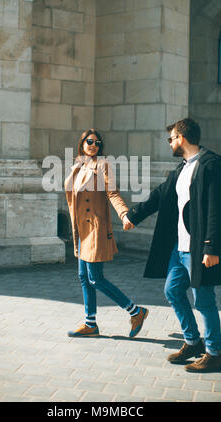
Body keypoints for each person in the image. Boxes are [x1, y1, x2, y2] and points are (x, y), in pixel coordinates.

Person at [124, 118, 221, 372]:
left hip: (199, 249)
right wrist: (132, 216)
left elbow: (217, 210)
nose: (170, 142)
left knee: (205, 301)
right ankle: (193, 341)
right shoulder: (181, 169)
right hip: (179, 248)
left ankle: (215, 353)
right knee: (173, 291)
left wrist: (211, 248)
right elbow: (158, 196)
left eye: (171, 138)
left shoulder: (211, 167)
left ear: (181, 138)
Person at [65, 128, 148, 338]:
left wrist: (124, 214)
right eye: (90, 141)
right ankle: (90, 324)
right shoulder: (77, 166)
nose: (94, 145)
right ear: (82, 142)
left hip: (94, 228)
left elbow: (112, 192)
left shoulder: (102, 165)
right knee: (84, 277)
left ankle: (136, 312)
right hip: (81, 230)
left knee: (95, 278)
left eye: (98, 143)